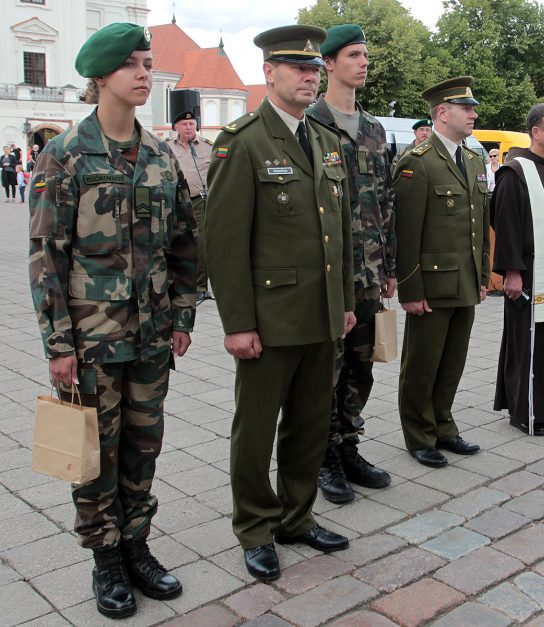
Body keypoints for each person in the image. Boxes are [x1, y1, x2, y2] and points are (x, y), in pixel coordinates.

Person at [27, 23, 197, 618]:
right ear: (100, 76)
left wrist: (182, 316)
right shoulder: (65, 153)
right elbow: (47, 256)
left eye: (149, 64)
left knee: (142, 446)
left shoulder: (158, 155)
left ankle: (137, 545)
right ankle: (105, 557)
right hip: (90, 339)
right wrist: (57, 343)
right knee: (95, 451)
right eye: (133, 65)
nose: (145, 74)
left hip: (152, 335)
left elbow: (184, 244)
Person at [205, 24, 355, 583]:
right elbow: (222, 242)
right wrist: (237, 322)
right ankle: (255, 526)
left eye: (316, 69)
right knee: (256, 428)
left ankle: (297, 515)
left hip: (320, 316)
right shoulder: (242, 141)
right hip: (267, 320)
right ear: (269, 72)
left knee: (311, 424)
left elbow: (335, 233)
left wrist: (341, 303)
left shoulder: (322, 139)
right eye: (299, 68)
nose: (310, 77)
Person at [308, 24, 396, 504]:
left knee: (362, 366)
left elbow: (385, 203)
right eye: (353, 55)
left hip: (368, 272)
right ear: (328, 64)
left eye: (366, 54)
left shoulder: (374, 130)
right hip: (328, 278)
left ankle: (348, 445)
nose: (364, 62)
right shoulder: (310, 124)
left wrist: (389, 267)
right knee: (328, 368)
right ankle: (323, 457)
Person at [393, 76, 486, 468]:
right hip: (431, 283)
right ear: (442, 113)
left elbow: (477, 226)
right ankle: (418, 434)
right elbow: (406, 232)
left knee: (452, 361)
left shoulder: (474, 159)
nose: (474, 114)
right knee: (422, 364)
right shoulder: (417, 163)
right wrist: (410, 290)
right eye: (466, 108)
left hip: (464, 280)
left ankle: (443, 425)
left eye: (473, 108)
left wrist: (482, 277)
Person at [491, 103, 544, 436]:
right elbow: (506, 224)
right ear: (536, 131)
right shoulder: (515, 172)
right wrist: (510, 272)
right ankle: (526, 410)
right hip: (530, 271)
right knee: (530, 341)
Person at [168, 105, 212, 303]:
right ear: (176, 127)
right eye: (184, 124)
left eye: (192, 123)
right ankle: (177, 285)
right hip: (175, 202)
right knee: (177, 241)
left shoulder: (207, 146)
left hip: (200, 201)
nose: (188, 127)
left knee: (201, 244)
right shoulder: (167, 147)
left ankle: (200, 287)